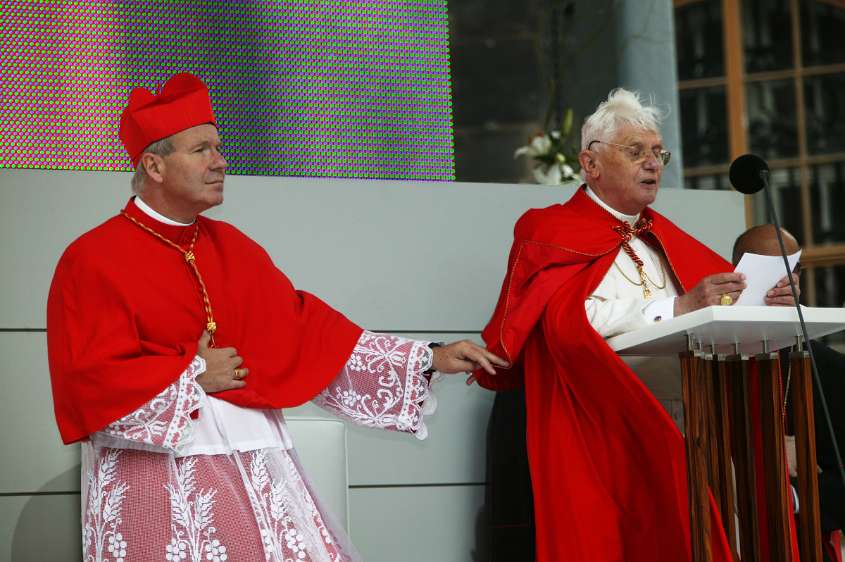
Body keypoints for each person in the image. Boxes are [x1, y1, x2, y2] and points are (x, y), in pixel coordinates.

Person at [46, 72, 507, 562]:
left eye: (219, 148)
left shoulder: (235, 250)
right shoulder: (93, 259)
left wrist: (430, 358)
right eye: (201, 150)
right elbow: (89, 381)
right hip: (154, 483)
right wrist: (194, 375)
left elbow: (308, 337)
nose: (220, 162)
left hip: (256, 473)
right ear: (154, 165)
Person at [472, 88, 798, 562]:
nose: (653, 163)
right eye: (636, 151)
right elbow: (568, 323)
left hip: (691, 419)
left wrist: (763, 303)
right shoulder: (549, 229)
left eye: (658, 153)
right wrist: (676, 310)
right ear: (591, 163)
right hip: (602, 423)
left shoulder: (662, 237)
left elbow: (713, 311)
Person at [734, 224, 845, 562]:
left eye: (790, 269)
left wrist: (793, 498)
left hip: (802, 540)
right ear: (737, 274)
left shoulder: (828, 368)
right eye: (764, 270)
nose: (780, 282)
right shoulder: (710, 355)